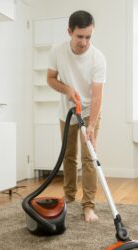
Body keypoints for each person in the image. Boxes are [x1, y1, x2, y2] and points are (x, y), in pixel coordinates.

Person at [46, 10, 106, 222]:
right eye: (79, 36)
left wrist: (90, 126)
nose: (84, 42)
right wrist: (66, 89)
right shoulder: (57, 51)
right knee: (69, 156)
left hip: (90, 111)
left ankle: (88, 206)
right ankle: (69, 197)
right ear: (69, 31)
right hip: (67, 112)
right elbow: (51, 78)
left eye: (88, 37)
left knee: (89, 157)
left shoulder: (98, 58)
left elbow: (97, 96)